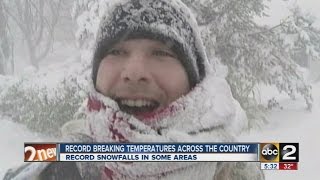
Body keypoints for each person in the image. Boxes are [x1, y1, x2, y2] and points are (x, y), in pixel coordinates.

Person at [4, 0, 264, 179]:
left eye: (161, 52)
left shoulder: (237, 170)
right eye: (116, 51)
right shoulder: (51, 168)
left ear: (194, 81)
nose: (134, 72)